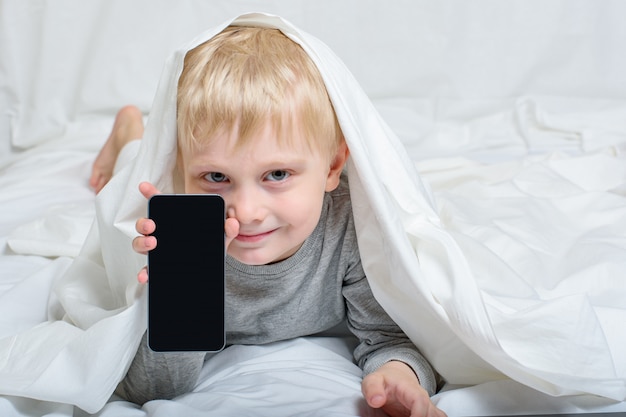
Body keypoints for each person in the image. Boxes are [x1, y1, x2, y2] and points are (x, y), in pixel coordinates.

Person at [90, 26, 446, 417]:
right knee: (131, 169)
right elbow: (148, 388)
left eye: (276, 175)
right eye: (216, 177)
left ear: (331, 167)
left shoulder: (352, 228)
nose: (245, 212)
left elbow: (389, 338)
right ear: (183, 171)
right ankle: (129, 132)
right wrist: (184, 290)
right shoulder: (172, 233)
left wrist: (398, 375)